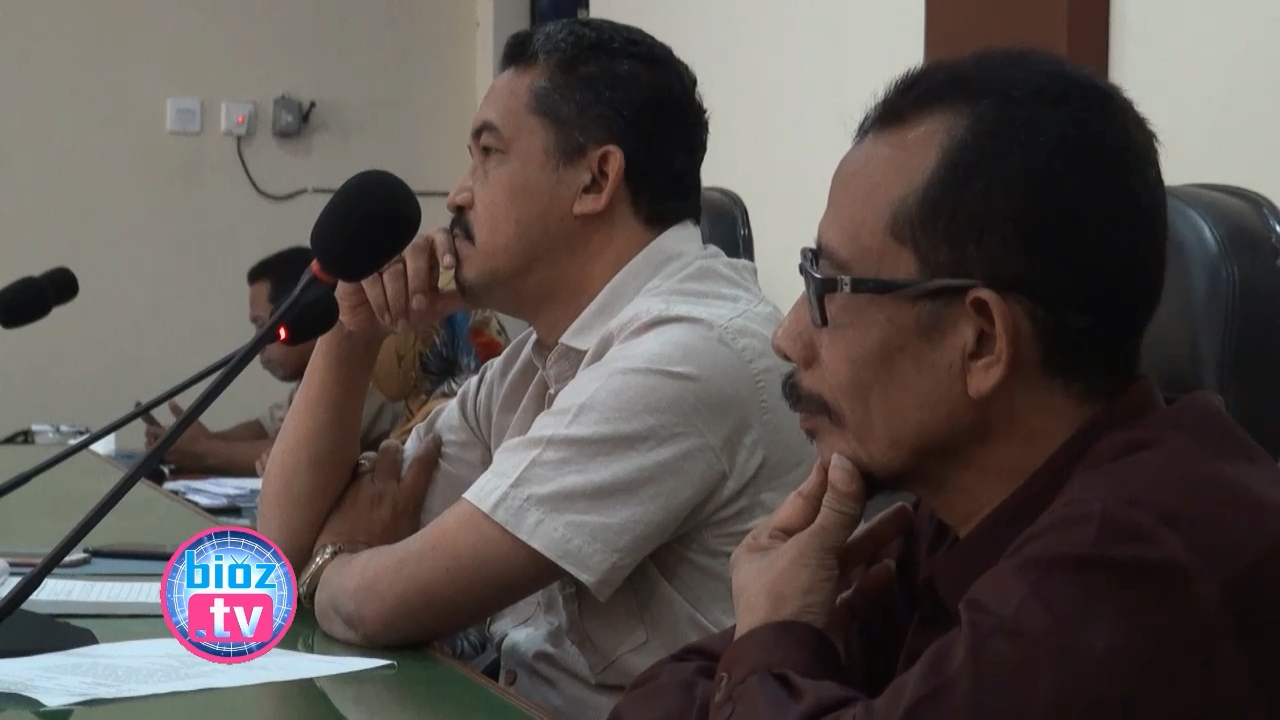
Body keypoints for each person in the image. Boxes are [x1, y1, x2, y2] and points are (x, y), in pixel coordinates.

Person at [608, 49, 1280, 719]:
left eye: (830, 287)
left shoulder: (1127, 570)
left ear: (981, 341)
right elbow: (659, 702)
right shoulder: (971, 503)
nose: (787, 336)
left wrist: (772, 634)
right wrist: (779, 639)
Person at [256, 18, 812, 719]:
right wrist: (356, 325)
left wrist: (332, 561)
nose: (457, 195)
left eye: (489, 154)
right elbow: (278, 553)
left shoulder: (689, 356)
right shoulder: (536, 362)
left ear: (595, 180)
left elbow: (376, 605)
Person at [147, 246, 401, 476]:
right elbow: (266, 427)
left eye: (261, 325)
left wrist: (204, 452)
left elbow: (299, 454)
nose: (257, 344)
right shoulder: (311, 379)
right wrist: (200, 441)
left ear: (303, 315)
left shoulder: (363, 366)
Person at [254, 310, 511, 475]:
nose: (365, 362)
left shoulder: (449, 418)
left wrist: (297, 476)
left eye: (376, 338)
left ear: (415, 336)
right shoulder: (418, 410)